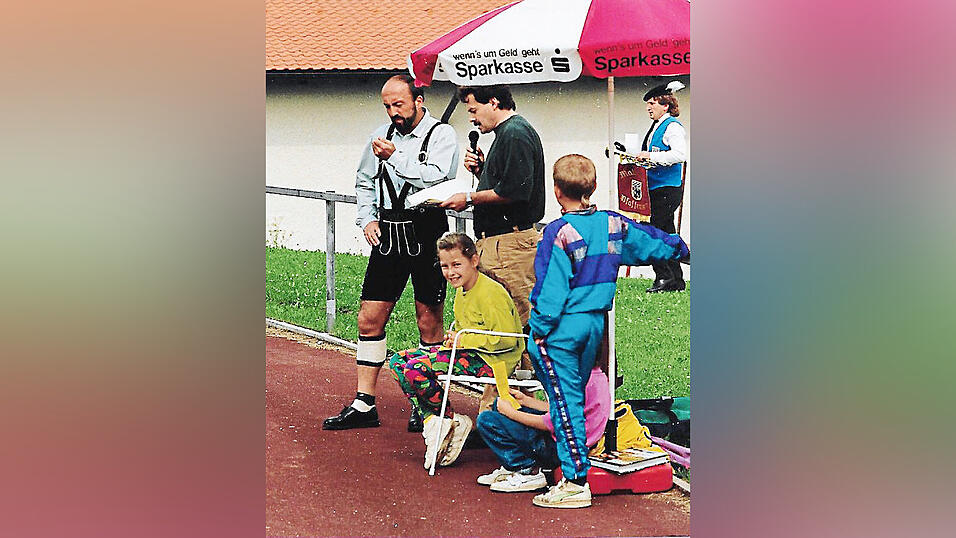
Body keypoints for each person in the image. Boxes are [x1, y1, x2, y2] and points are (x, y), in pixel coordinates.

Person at [527, 154, 689, 508]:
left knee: (565, 403)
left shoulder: (557, 233)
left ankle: (574, 481)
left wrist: (537, 329)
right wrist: (685, 250)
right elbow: (651, 240)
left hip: (563, 327)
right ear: (594, 187)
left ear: (556, 191)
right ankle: (574, 467)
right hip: (595, 325)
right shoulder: (613, 224)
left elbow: (550, 291)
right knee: (575, 397)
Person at [323, 74, 460, 432]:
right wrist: (367, 218)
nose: (393, 112)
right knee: (369, 316)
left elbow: (434, 178)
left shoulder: (442, 135)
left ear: (418, 99)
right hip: (389, 232)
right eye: (387, 105)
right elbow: (364, 180)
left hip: (428, 228)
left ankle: (427, 401)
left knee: (428, 319)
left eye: (398, 104)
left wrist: (396, 156)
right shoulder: (379, 136)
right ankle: (364, 402)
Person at [388, 233, 525, 469]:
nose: (451, 272)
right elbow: (465, 330)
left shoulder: (490, 293)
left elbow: (506, 340)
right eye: (445, 266)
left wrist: (463, 340)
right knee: (398, 362)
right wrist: (454, 341)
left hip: (493, 361)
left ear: (474, 261)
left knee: (416, 369)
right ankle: (440, 420)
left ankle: (445, 421)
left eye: (456, 265)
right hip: (472, 353)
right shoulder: (462, 291)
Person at [440, 85, 545, 328]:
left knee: (518, 320)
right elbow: (505, 186)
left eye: (474, 110)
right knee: (500, 319)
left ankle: (526, 368)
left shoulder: (514, 133)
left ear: (494, 103)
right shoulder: (507, 133)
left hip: (510, 244)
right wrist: (482, 172)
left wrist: (468, 197)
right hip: (500, 242)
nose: (472, 118)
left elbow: (514, 192)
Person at [474, 365, 610, 495]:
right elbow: (560, 409)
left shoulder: (578, 382)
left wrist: (512, 414)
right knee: (501, 409)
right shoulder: (595, 377)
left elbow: (551, 423)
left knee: (487, 420)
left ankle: (527, 469)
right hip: (571, 443)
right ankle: (514, 464)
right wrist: (526, 401)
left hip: (560, 447)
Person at [632, 80, 689, 293]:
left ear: (665, 105)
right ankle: (675, 279)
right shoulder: (657, 126)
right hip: (658, 187)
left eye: (653, 103)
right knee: (666, 232)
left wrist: (651, 156)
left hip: (667, 188)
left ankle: (664, 277)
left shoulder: (672, 126)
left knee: (654, 232)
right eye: (648, 103)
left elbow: (679, 154)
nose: (649, 107)